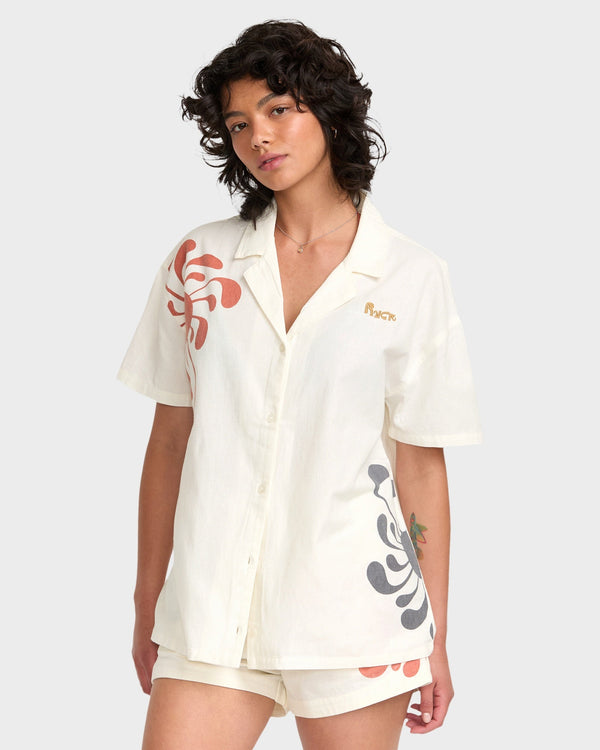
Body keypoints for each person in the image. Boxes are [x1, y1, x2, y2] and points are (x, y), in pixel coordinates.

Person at [117, 19, 482, 750]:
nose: (259, 137)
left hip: (357, 618)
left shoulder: (411, 276)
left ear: (328, 112)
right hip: (212, 615)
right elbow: (169, 442)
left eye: (279, 109)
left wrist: (433, 634)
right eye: (238, 123)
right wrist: (146, 599)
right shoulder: (199, 263)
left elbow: (420, 464)